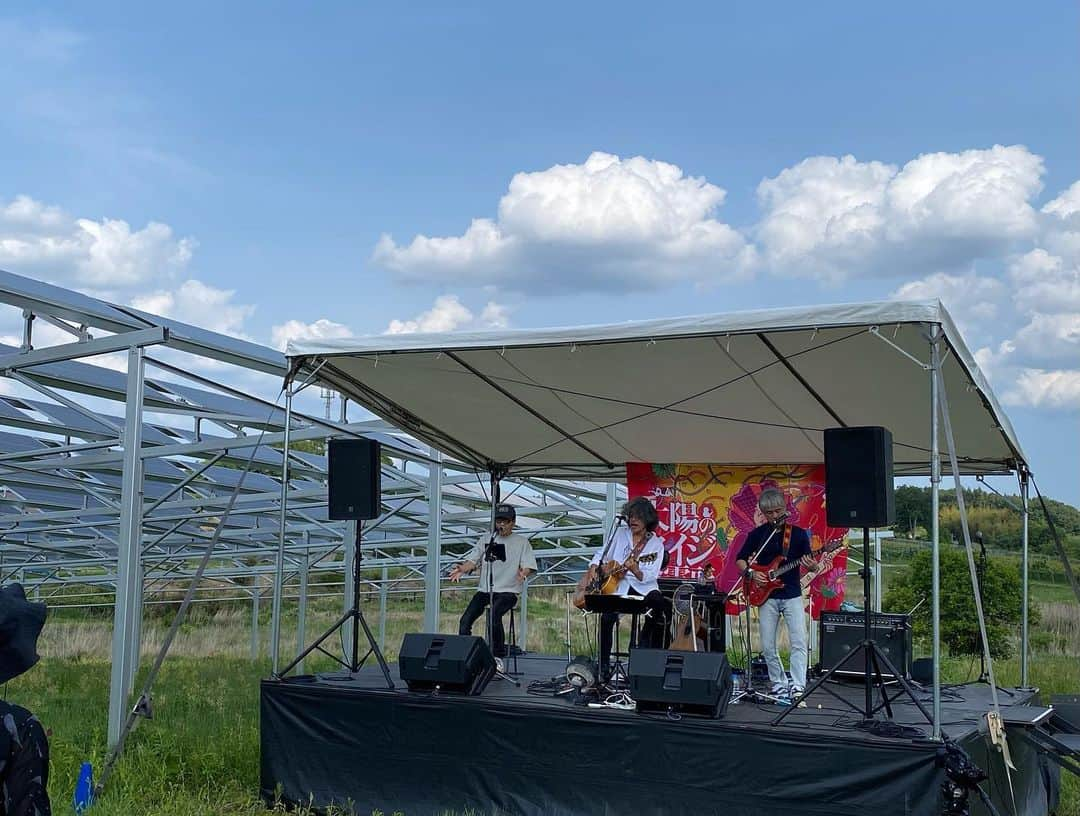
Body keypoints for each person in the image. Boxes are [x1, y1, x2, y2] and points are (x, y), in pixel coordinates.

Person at [734, 487, 818, 699]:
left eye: (778, 511)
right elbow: (740, 559)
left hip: (791, 594)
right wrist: (751, 573)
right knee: (768, 644)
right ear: (762, 513)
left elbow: (811, 564)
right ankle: (779, 683)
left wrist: (813, 566)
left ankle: (797, 684)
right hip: (766, 595)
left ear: (785, 508)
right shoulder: (757, 534)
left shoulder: (797, 534)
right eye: (769, 512)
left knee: (799, 641)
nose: (774, 516)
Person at [583, 496, 668, 681]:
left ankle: (642, 649)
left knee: (657, 603)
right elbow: (601, 553)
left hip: (642, 587)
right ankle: (604, 665)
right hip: (619, 585)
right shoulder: (620, 533)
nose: (632, 520)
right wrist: (594, 568)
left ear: (648, 520)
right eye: (630, 516)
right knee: (606, 617)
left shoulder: (655, 545)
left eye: (637, 517)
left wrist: (636, 569)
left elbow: (651, 575)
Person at [449, 503, 536, 659]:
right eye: (498, 521)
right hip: (485, 590)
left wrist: (524, 572)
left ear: (513, 523)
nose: (501, 525)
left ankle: (497, 656)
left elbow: (529, 566)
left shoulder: (522, 542)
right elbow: (472, 561)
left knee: (494, 616)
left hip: (508, 591)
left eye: (505, 521)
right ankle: (466, 656)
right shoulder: (486, 539)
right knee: (465, 621)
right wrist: (461, 569)